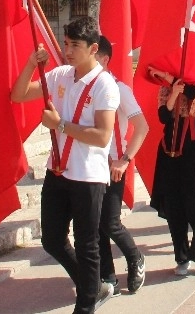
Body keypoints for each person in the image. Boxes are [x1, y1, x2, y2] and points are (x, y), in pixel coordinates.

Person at [10, 17, 118, 312]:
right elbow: (17, 95)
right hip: (57, 171)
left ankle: (85, 305)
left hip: (88, 176)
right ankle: (92, 287)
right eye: (66, 43)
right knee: (53, 240)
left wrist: (61, 125)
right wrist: (32, 63)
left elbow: (102, 136)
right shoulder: (59, 75)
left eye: (75, 45)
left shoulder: (104, 85)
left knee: (87, 244)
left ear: (94, 48)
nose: (68, 50)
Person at [144, 65, 195, 276]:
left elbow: (193, 94)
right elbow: (164, 116)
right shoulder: (165, 89)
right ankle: (181, 256)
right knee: (174, 204)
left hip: (194, 145)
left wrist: (171, 78)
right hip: (170, 148)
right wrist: (173, 91)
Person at [93, 37, 147, 296]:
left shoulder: (119, 89)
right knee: (95, 224)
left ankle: (135, 258)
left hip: (113, 165)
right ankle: (108, 276)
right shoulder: (82, 89)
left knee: (110, 222)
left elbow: (142, 127)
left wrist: (124, 159)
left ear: (103, 59)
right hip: (89, 166)